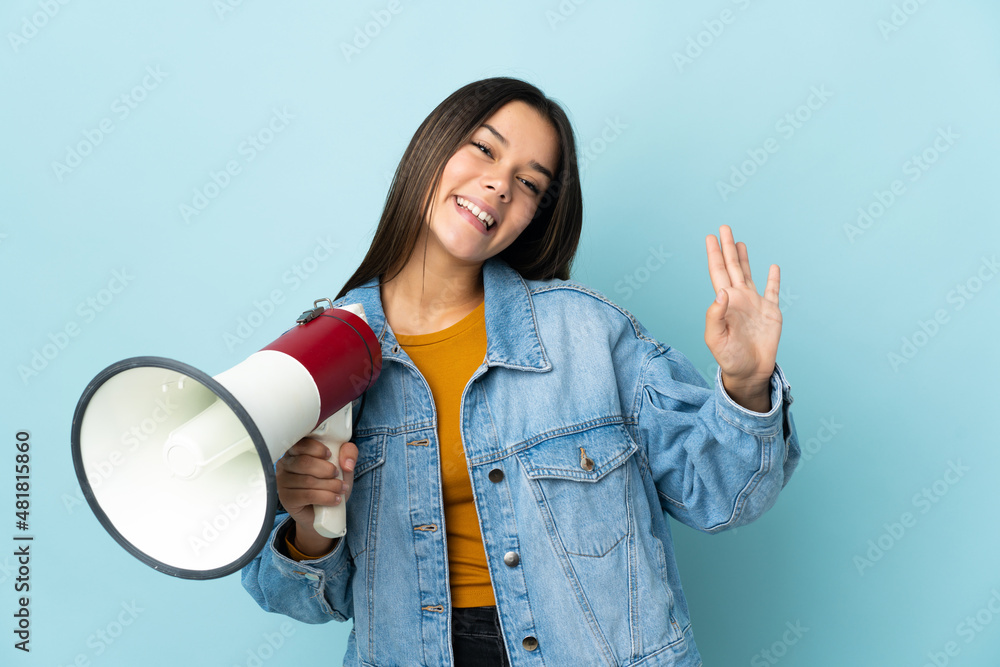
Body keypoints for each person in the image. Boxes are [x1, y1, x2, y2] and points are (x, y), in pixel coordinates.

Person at [241, 77, 800, 667]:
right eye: (485, 149)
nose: (499, 184)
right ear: (432, 149)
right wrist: (311, 531)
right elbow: (295, 600)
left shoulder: (588, 334)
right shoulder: (322, 354)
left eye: (529, 183)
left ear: (535, 215)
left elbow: (720, 498)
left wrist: (745, 385)